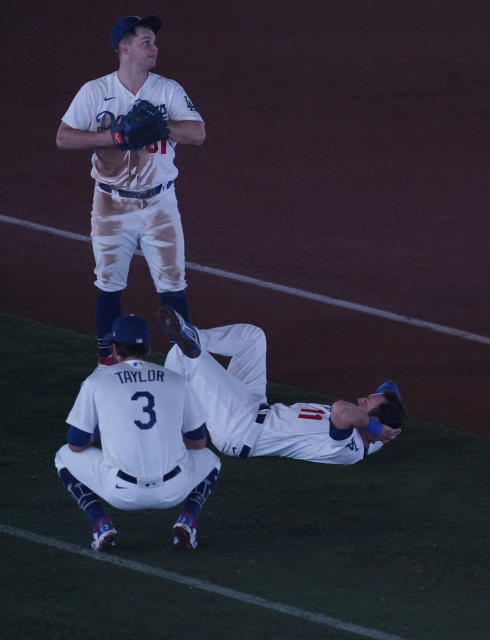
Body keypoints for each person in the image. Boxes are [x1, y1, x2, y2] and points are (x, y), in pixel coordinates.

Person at [55, 16, 206, 368]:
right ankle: (106, 360)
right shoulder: (95, 91)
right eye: (146, 41)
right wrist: (113, 137)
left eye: (153, 42)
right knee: (108, 281)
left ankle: (184, 366)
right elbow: (63, 137)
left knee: (173, 280)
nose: (154, 48)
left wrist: (161, 126)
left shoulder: (167, 89)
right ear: (124, 48)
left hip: (160, 202)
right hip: (111, 202)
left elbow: (198, 133)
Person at [157, 305, 406, 464]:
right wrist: (383, 426)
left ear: (372, 426)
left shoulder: (349, 448)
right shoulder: (375, 435)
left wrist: (374, 425)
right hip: (255, 404)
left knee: (186, 357)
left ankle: (160, 423)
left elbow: (341, 410)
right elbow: (390, 386)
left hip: (238, 428)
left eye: (367, 404)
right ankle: (191, 335)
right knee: (252, 338)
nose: (361, 400)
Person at [54, 314, 221, 550]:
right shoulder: (176, 381)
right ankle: (188, 521)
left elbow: (75, 444)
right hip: (174, 489)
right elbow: (198, 443)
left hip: (121, 492)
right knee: (211, 460)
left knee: (63, 456)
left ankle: (101, 524)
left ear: (114, 349)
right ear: (149, 347)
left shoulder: (97, 382)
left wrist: (105, 434)